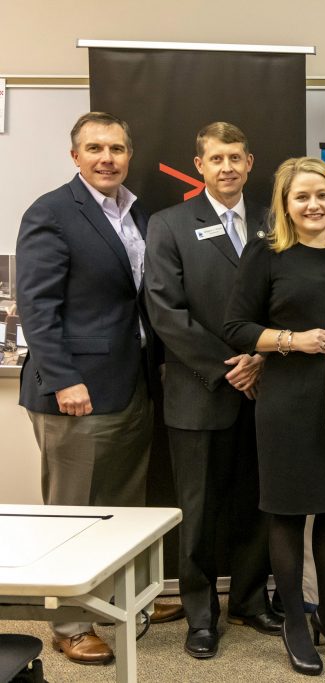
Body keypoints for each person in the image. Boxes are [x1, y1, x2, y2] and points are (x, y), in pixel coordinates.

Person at [15, 111, 166, 665]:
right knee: (71, 510)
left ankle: (110, 603)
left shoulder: (138, 213)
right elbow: (37, 305)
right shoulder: (51, 213)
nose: (108, 158)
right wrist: (63, 380)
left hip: (130, 383)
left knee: (122, 506)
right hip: (74, 391)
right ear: (74, 155)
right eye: (96, 148)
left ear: (130, 155)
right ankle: (70, 622)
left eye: (118, 148)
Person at [223, 157, 325, 676]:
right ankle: (293, 620)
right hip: (288, 401)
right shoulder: (265, 254)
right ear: (285, 205)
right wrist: (294, 340)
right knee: (287, 512)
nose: (313, 205)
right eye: (301, 197)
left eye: (322, 195)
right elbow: (237, 327)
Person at [145, 122, 281, 659]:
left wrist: (264, 359)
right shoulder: (170, 224)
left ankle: (249, 599)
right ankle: (201, 615)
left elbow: (295, 298)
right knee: (198, 513)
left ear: (251, 163)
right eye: (215, 158)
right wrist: (231, 366)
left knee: (257, 504)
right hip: (200, 390)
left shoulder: (278, 223)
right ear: (198, 165)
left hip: (268, 389)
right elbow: (164, 310)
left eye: (236, 158)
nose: (226, 167)